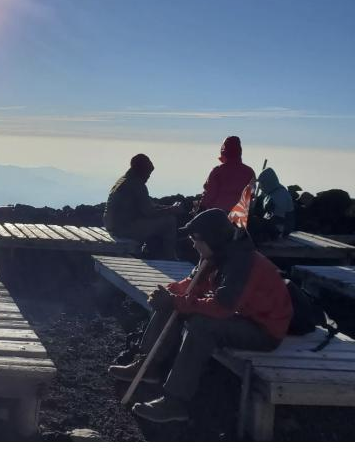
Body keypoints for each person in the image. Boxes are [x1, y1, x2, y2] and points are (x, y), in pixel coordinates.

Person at [108, 208, 293, 423]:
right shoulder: (217, 253)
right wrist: (169, 292)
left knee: (201, 326)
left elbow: (222, 307)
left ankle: (175, 401)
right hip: (241, 314)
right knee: (173, 305)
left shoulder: (242, 263)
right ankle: (148, 367)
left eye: (197, 239)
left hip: (262, 328)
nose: (193, 244)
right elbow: (191, 285)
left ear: (212, 239)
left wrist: (176, 301)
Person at [103, 154, 181, 259]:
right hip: (123, 229)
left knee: (159, 220)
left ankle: (151, 251)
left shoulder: (124, 180)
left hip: (112, 225)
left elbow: (148, 206)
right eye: (148, 174)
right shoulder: (137, 184)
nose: (148, 177)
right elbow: (149, 212)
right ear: (141, 171)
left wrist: (167, 208)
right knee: (169, 221)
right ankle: (169, 257)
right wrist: (171, 210)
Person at [196, 136, 256, 213]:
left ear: (223, 151)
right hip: (240, 216)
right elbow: (251, 195)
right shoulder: (249, 172)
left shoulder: (218, 171)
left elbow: (210, 193)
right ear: (240, 151)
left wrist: (201, 208)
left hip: (218, 214)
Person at [249, 167, 296, 241]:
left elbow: (279, 221)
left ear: (268, 182)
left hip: (279, 229)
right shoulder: (272, 192)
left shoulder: (280, 196)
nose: (260, 186)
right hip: (271, 224)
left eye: (262, 183)